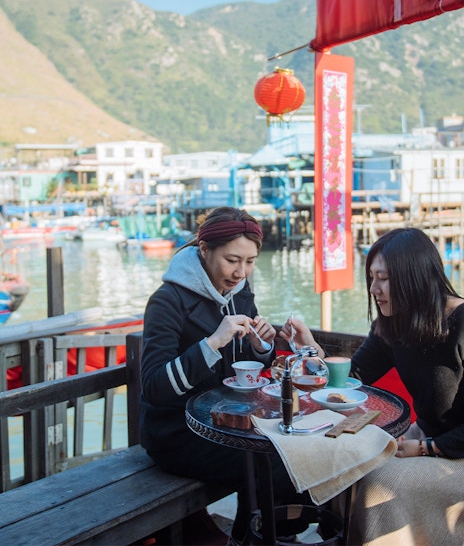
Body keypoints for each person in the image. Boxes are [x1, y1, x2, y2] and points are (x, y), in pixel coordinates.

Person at [280, 227, 464, 545]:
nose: (374, 289)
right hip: (428, 437)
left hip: (454, 453)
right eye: (371, 278)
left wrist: (427, 448)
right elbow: (354, 378)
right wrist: (310, 350)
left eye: (384, 278)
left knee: (378, 481)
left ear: (415, 277)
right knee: (341, 462)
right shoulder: (393, 323)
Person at [140, 206, 311, 545]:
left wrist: (262, 344)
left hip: (228, 421)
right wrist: (212, 342)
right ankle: (258, 537)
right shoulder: (167, 301)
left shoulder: (240, 292)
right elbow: (154, 386)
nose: (240, 272)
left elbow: (246, 363)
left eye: (249, 262)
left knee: (294, 449)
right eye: (232, 260)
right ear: (204, 250)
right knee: (272, 461)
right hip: (179, 432)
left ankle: (264, 535)